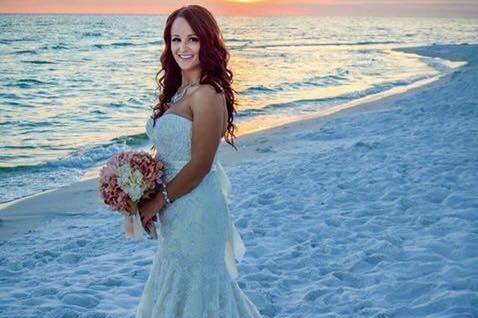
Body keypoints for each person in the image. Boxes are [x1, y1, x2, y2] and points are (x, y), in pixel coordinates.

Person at [135, 5, 263, 317]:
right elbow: (170, 149)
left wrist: (156, 202)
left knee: (197, 292)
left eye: (192, 39)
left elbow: (200, 165)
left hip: (197, 210)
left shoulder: (207, 93)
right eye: (176, 40)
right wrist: (142, 180)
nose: (183, 48)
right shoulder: (178, 90)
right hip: (175, 211)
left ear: (207, 42)